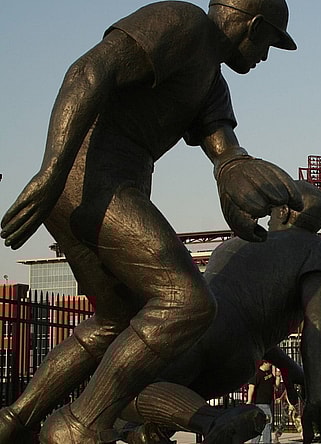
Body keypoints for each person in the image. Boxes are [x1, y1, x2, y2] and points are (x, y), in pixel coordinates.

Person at [0, 1, 303, 443]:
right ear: (254, 27)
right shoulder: (184, 23)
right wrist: (51, 170)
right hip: (93, 180)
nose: (264, 58)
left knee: (115, 322)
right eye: (269, 44)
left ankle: (14, 422)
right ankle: (79, 425)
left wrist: (235, 178)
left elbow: (224, 151)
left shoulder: (212, 84)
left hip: (91, 187)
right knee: (189, 302)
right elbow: (88, 71)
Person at [115, 180, 321, 444]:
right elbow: (320, 319)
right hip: (240, 360)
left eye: (272, 211)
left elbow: (319, 320)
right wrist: (316, 392)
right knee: (156, 408)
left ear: (283, 212)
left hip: (195, 331)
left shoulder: (233, 245)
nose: (268, 217)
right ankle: (153, 432)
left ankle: (212, 420)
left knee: (122, 393)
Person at [248, 361, 277, 444]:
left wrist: (278, 377)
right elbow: (251, 387)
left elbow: (276, 385)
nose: (271, 365)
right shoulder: (257, 374)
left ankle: (254, 442)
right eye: (270, 363)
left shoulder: (269, 373)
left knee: (260, 425)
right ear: (265, 363)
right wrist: (249, 401)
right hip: (261, 403)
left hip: (268, 403)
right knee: (267, 425)